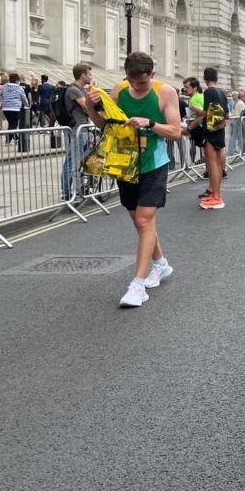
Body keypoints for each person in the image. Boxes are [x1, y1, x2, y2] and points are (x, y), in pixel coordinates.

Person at [81, 52, 181, 307]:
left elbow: (175, 131)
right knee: (138, 222)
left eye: (143, 82)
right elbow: (105, 124)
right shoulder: (120, 90)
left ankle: (137, 286)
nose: (137, 86)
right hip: (126, 164)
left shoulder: (165, 92)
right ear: (126, 75)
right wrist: (92, 105)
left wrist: (149, 124)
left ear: (152, 76)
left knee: (145, 219)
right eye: (133, 81)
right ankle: (160, 264)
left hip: (154, 164)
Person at [193, 67, 228, 210]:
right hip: (220, 130)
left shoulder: (208, 92)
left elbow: (207, 114)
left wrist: (197, 111)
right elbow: (227, 115)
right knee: (218, 164)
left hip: (210, 131)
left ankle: (216, 197)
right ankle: (215, 193)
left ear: (205, 78)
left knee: (212, 164)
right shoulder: (222, 93)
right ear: (217, 78)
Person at [61, 64, 93, 200]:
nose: (91, 77)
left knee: (81, 161)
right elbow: (87, 107)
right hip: (76, 131)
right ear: (83, 76)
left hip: (83, 130)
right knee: (71, 161)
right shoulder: (73, 90)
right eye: (89, 74)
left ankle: (78, 189)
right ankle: (67, 192)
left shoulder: (81, 90)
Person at [0, 72, 29, 141]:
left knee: (11, 124)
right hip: (15, 108)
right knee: (13, 125)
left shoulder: (3, 87)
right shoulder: (19, 88)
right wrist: (27, 106)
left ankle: (15, 137)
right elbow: (24, 98)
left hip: (5, 108)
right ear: (16, 80)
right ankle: (8, 140)